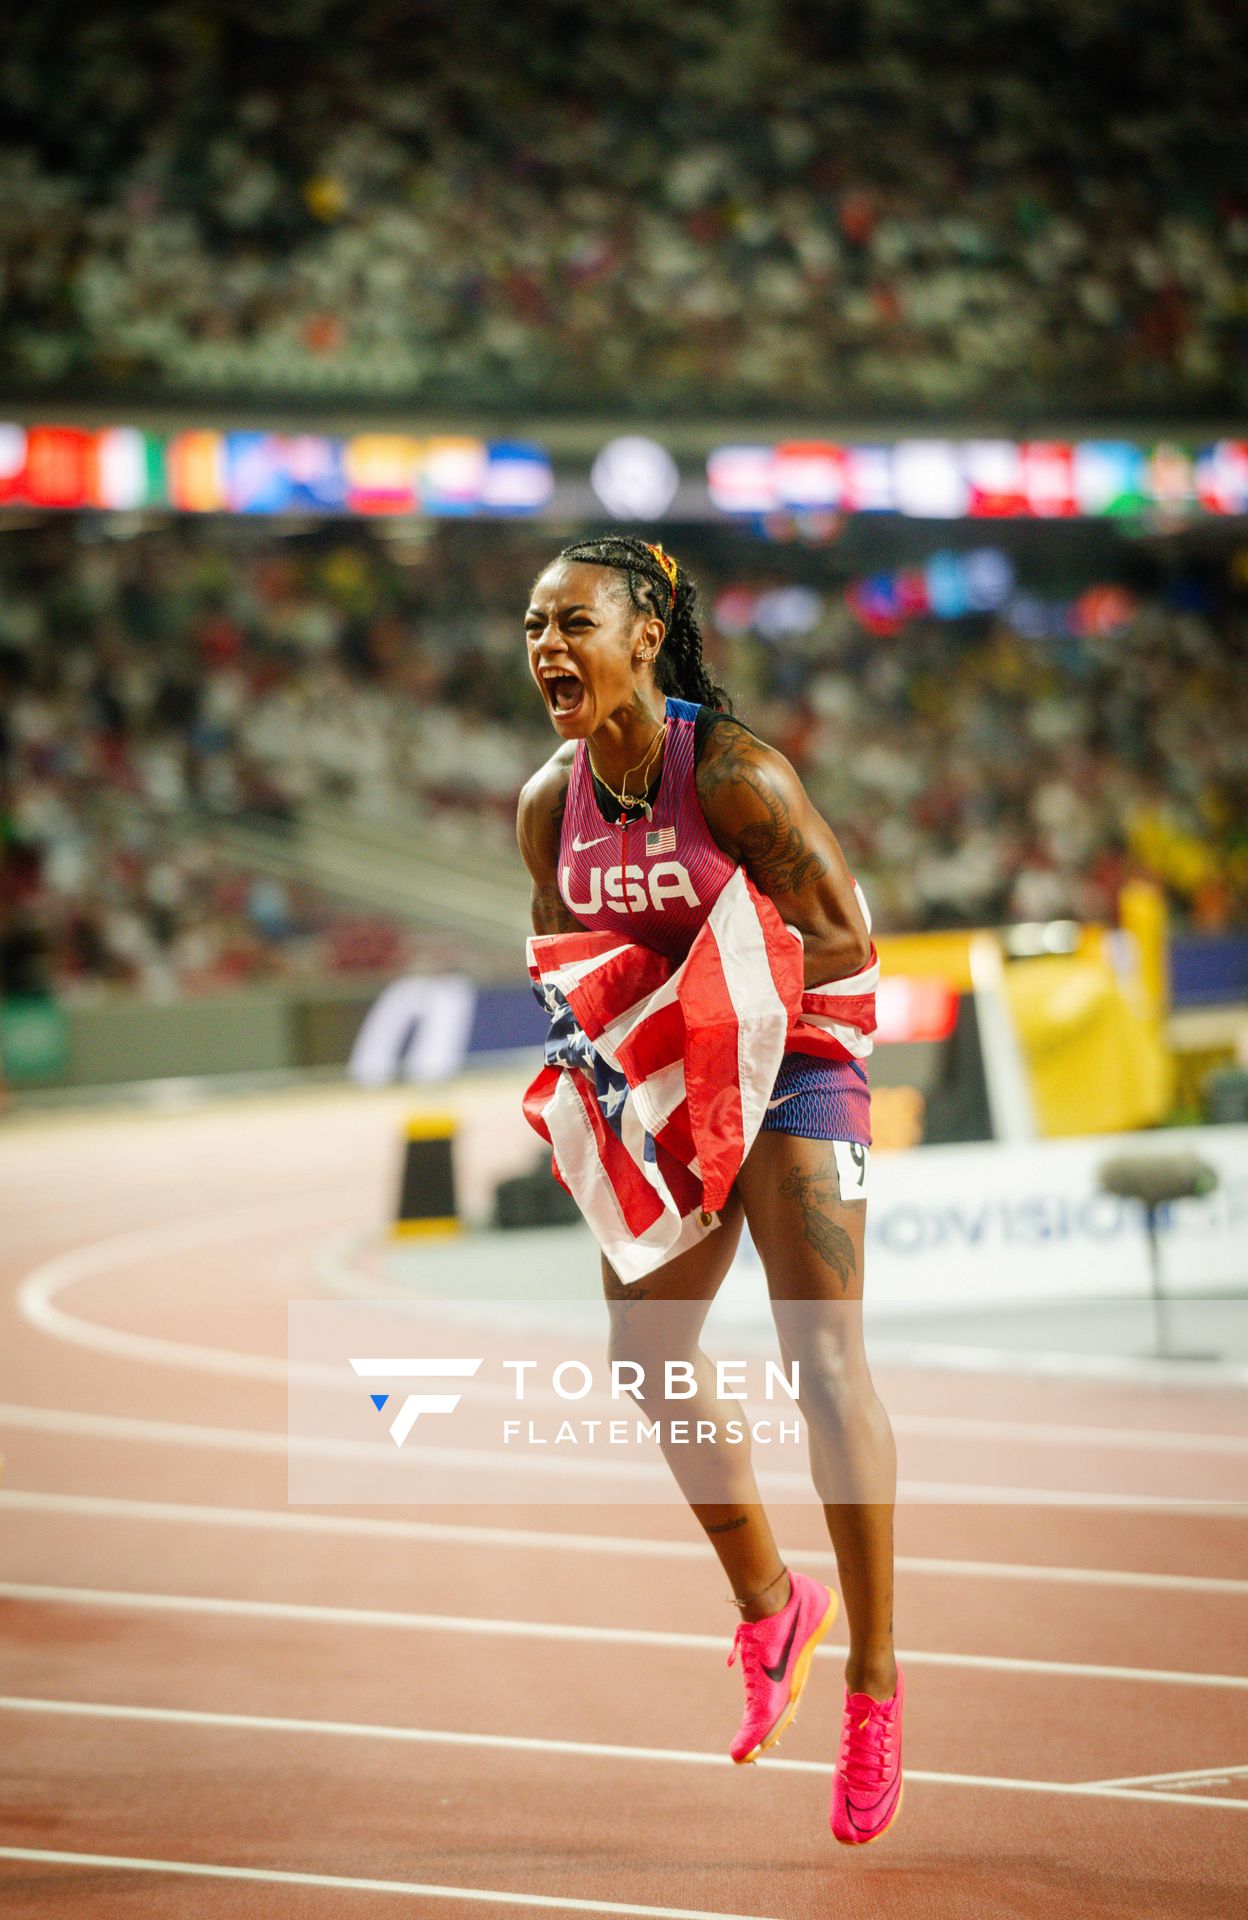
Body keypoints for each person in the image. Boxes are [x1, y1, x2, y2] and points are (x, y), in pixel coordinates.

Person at [516, 534, 902, 1847]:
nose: (548, 649)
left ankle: (874, 1682)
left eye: (574, 623)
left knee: (822, 1363)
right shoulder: (543, 804)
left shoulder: (734, 778)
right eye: (531, 628)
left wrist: (719, 1006)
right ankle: (770, 1602)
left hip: (794, 1050)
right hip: (683, 1068)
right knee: (645, 1350)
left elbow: (845, 939)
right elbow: (563, 945)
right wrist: (617, 1047)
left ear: (644, 634)